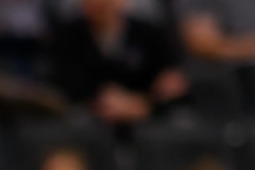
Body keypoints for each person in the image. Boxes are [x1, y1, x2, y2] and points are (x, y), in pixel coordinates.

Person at [50, 0, 186, 125]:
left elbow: (171, 83)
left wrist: (141, 104)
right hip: (90, 120)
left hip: (147, 119)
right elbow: (68, 83)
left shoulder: (150, 34)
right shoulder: (67, 37)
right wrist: (102, 100)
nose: (100, 4)